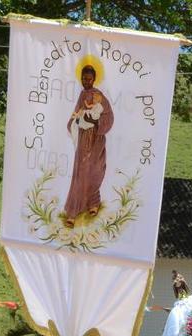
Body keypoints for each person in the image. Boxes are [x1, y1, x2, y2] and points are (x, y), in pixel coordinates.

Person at [62, 65, 114, 225]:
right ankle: (73, 211)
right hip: (84, 140)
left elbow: (109, 117)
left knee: (95, 171)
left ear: (94, 79)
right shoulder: (82, 95)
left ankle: (93, 202)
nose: (86, 81)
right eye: (84, 78)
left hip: (96, 140)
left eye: (89, 79)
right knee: (80, 173)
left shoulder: (99, 95)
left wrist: (95, 122)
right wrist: (74, 121)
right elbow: (76, 112)